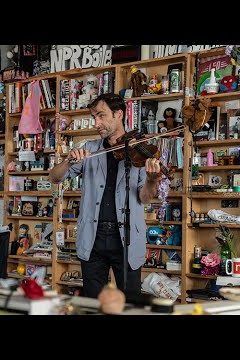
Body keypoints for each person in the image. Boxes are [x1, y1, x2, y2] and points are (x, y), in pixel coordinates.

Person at [48, 93, 161, 298]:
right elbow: (54, 177)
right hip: (93, 236)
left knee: (130, 303)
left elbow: (145, 198)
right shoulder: (89, 149)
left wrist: (152, 180)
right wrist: (69, 161)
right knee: (93, 302)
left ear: (118, 114)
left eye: (101, 116)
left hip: (126, 237)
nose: (96, 123)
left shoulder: (138, 151)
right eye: (94, 118)